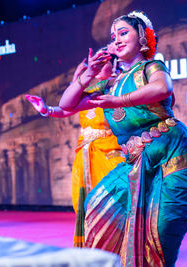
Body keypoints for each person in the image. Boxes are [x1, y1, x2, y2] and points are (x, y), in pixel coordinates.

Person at [59, 11, 187, 267]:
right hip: (136, 161)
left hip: (173, 154)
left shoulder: (150, 67)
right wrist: (86, 75)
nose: (117, 39)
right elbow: (67, 104)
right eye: (114, 36)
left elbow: (163, 88)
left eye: (123, 33)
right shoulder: (109, 85)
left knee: (163, 229)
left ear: (143, 39)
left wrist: (119, 101)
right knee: (97, 208)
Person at [26, 51, 124, 247]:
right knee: (83, 202)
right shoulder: (92, 89)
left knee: (111, 202)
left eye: (101, 62)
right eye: (93, 62)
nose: (95, 66)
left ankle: (117, 246)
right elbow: (68, 108)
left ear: (113, 65)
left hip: (109, 154)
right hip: (85, 155)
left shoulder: (119, 87)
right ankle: (92, 246)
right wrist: (46, 110)